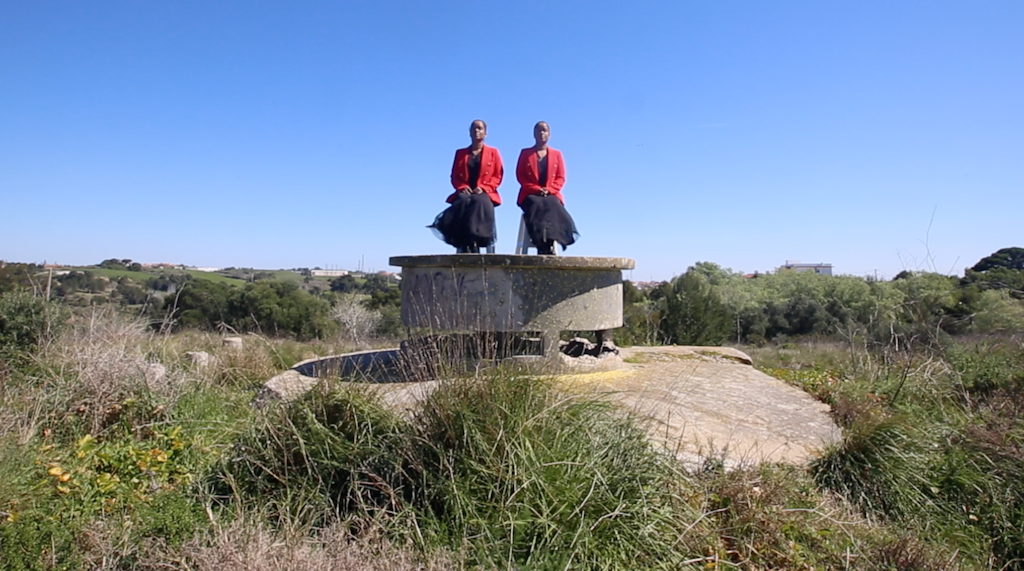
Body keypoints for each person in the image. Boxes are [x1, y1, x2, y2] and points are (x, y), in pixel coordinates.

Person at [429, 120, 503, 253]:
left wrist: (484, 187)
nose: (476, 131)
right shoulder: (460, 153)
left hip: (485, 192)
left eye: (480, 129)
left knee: (480, 201)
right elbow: (454, 176)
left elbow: (498, 175)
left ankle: (475, 239)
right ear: (469, 133)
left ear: (485, 133)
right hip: (465, 192)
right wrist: (462, 186)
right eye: (474, 128)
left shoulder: (493, 152)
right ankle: (465, 241)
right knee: (463, 201)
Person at [515, 121, 578, 255]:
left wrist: (550, 190)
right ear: (534, 134)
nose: (542, 133)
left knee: (552, 203)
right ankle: (540, 242)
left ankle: (550, 240)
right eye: (539, 131)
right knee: (537, 203)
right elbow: (521, 176)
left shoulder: (557, 154)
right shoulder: (526, 153)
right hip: (530, 194)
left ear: (549, 134)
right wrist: (536, 189)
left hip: (551, 194)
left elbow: (561, 177)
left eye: (545, 131)